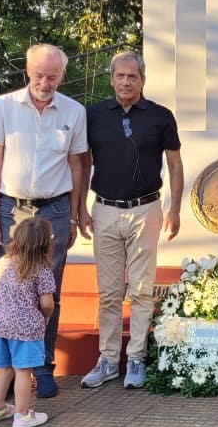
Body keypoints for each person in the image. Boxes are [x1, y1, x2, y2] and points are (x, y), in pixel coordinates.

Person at [0, 44, 88, 399]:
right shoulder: (4, 106)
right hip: (11, 209)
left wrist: (74, 213)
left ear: (62, 75)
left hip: (55, 210)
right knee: (10, 289)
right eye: (39, 75)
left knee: (47, 290)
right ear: (28, 71)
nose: (45, 82)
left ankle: (42, 367)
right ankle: (8, 373)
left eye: (53, 76)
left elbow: (77, 165)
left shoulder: (74, 111)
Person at [78, 51, 183, 390]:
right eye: (120, 76)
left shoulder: (160, 116)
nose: (126, 82)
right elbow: (81, 165)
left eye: (132, 76)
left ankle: (136, 357)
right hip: (105, 210)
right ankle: (108, 359)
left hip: (146, 210)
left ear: (142, 80)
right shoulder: (92, 116)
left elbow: (176, 166)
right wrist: (81, 208)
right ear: (111, 79)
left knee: (141, 290)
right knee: (108, 292)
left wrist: (175, 209)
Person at [0, 216, 54, 427]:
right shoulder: (42, 270)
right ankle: (23, 415)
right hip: (25, 327)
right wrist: (46, 317)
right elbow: (47, 302)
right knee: (24, 371)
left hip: (1, 324)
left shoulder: (3, 262)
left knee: (5, 368)